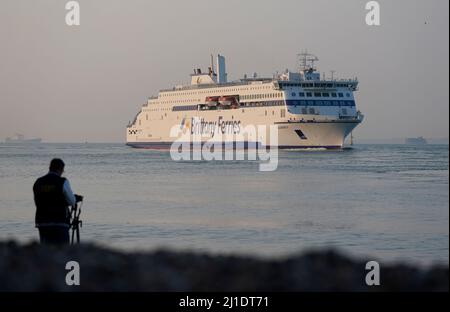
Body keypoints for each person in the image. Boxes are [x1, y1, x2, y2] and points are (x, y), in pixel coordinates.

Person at [33, 158, 82, 245]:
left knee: (45, 251)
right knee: (62, 251)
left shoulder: (38, 182)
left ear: (50, 168)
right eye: (63, 170)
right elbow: (72, 201)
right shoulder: (62, 181)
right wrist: (76, 198)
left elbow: (37, 201)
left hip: (42, 222)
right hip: (59, 222)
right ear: (60, 169)